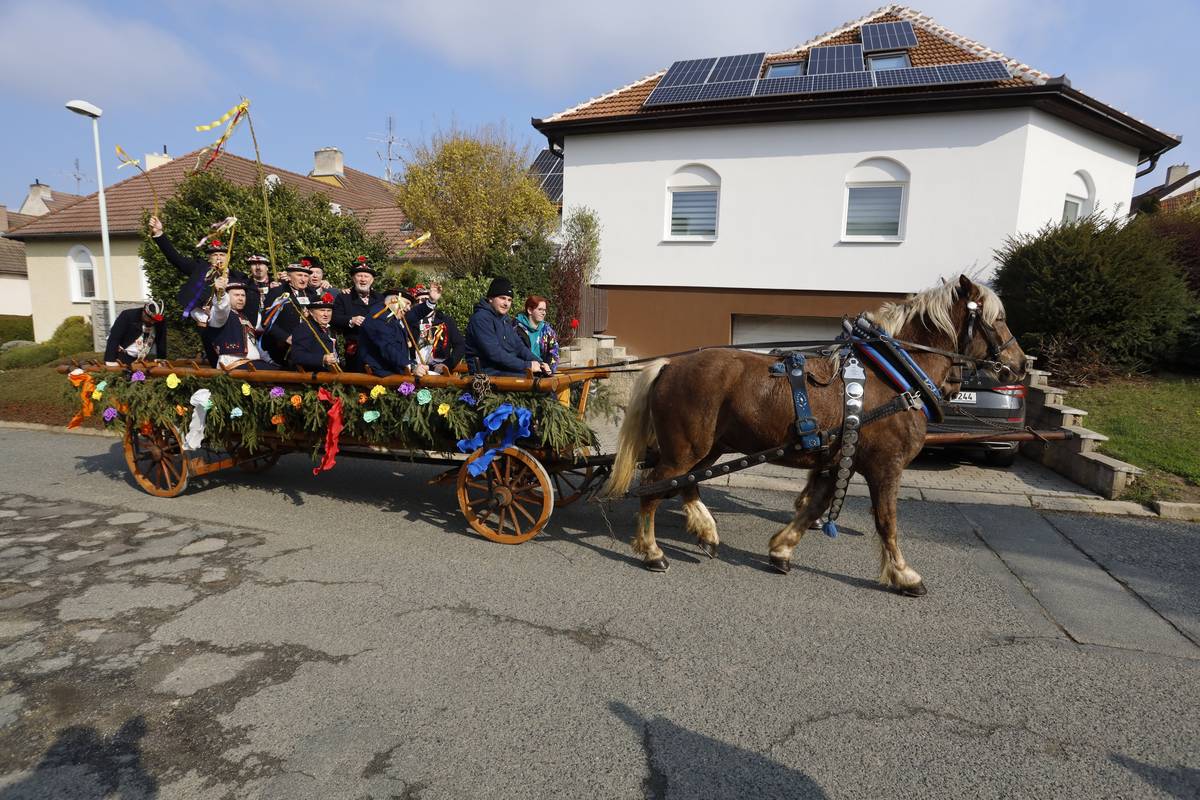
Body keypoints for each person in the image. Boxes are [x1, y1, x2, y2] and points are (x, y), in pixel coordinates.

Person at [464, 277, 550, 377]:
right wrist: (527, 365)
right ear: (490, 299)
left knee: (545, 376)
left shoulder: (505, 320)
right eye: (502, 298)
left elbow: (519, 347)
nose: (506, 303)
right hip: (486, 373)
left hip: (503, 369)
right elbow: (494, 353)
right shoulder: (480, 319)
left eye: (509, 300)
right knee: (536, 382)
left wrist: (540, 363)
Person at [207, 276, 276, 370]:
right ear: (227, 297)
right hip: (233, 366)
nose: (240, 298)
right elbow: (221, 309)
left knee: (282, 370)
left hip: (253, 364)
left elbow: (253, 344)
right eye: (236, 295)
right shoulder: (221, 316)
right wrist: (221, 294)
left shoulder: (244, 317)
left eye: (243, 295)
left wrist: (270, 361)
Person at [359, 290, 428, 377]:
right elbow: (387, 347)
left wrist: (431, 301)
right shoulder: (378, 316)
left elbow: (416, 313)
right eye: (407, 303)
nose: (409, 308)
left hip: (393, 373)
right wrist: (411, 366)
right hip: (380, 376)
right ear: (395, 300)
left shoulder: (392, 317)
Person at [260, 262, 316, 365]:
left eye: (306, 276)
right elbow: (266, 321)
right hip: (281, 348)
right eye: (299, 275)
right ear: (289, 277)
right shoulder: (278, 292)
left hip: (306, 348)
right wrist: (286, 337)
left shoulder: (312, 295)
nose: (303, 279)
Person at [332, 256, 380, 372]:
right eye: (359, 276)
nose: (363, 279)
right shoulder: (343, 297)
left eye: (366, 276)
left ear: (372, 280)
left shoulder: (380, 298)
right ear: (353, 278)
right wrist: (351, 320)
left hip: (377, 348)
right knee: (355, 382)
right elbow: (334, 318)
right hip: (354, 349)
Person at [405, 282, 465, 374]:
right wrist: (413, 366)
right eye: (417, 301)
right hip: (416, 371)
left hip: (438, 370)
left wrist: (447, 364)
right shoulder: (409, 322)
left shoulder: (445, 320)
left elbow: (460, 345)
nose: (421, 303)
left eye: (425, 299)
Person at [288, 291, 340, 372]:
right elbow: (297, 356)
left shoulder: (330, 328)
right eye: (322, 310)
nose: (326, 314)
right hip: (314, 377)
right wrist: (323, 359)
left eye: (329, 310)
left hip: (334, 375)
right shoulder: (304, 328)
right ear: (311, 312)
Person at [104, 300, 167, 366]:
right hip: (122, 356)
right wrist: (110, 360)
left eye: (155, 320)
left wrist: (161, 359)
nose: (152, 322)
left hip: (143, 358)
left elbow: (161, 341)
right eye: (150, 319)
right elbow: (114, 337)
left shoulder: (160, 322)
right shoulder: (127, 315)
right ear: (144, 312)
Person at [515, 295, 561, 373]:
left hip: (543, 372)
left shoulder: (548, 331)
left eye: (544, 310)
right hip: (522, 372)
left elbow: (554, 352)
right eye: (540, 309)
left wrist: (549, 368)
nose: (544, 313)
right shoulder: (515, 328)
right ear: (530, 310)